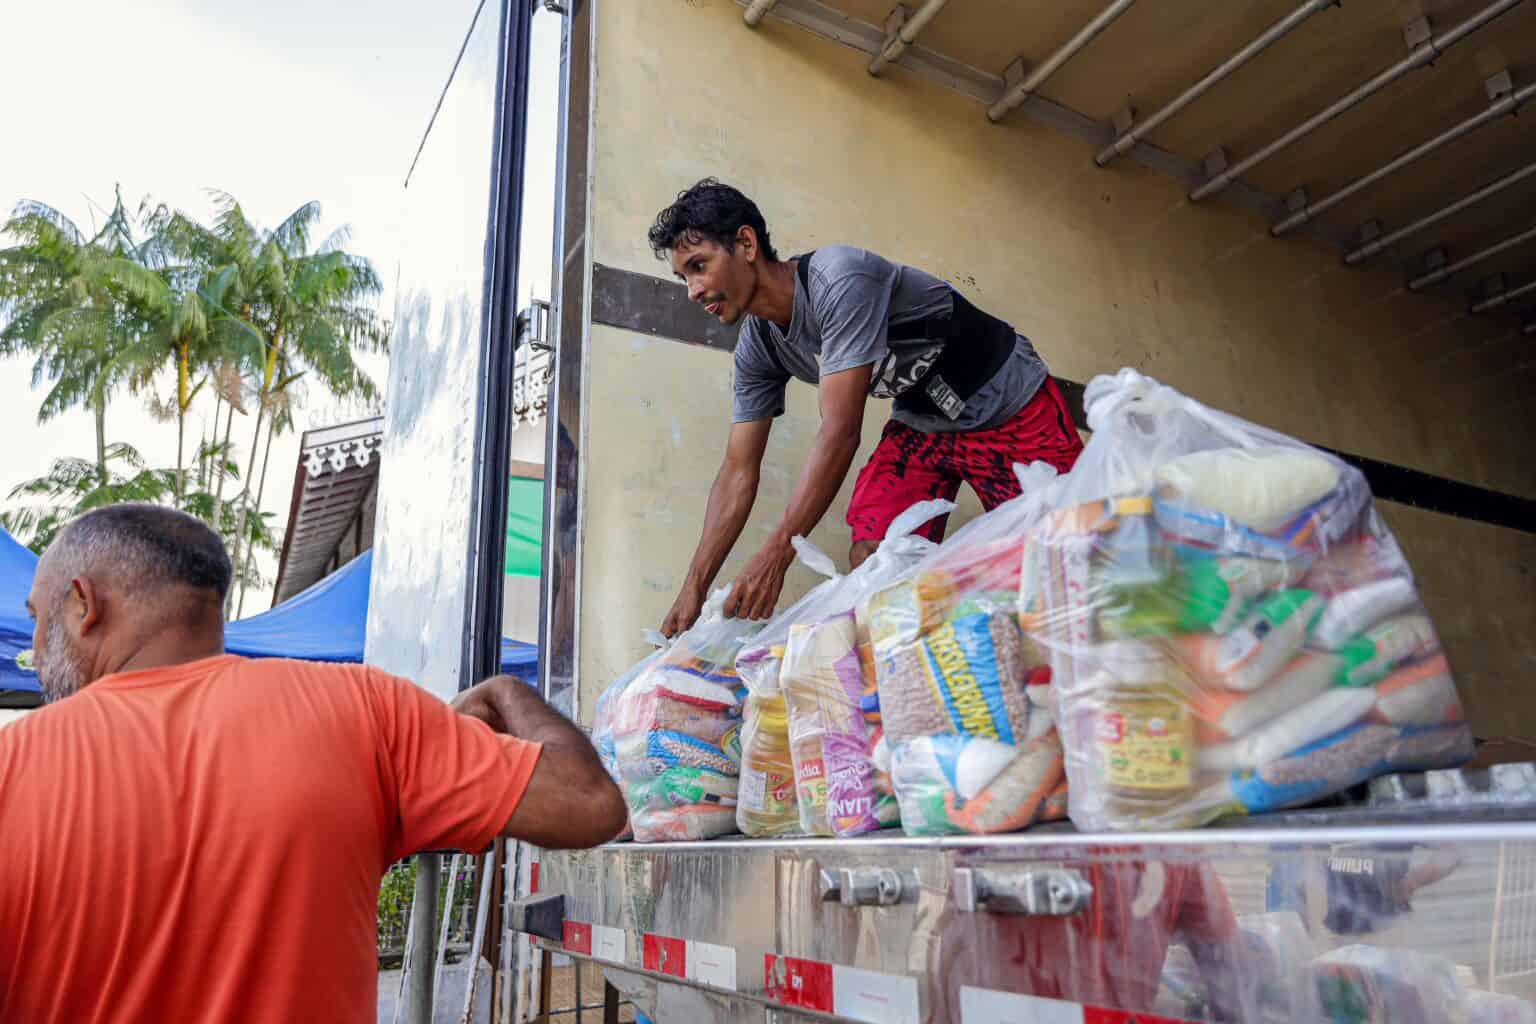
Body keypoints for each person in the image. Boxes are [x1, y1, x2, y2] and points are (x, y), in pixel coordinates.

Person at [0, 504, 626, 1024]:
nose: (32, 646)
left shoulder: (12, 767)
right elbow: (590, 803)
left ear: (84, 604)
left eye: (36, 617)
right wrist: (507, 695)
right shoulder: (364, 711)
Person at [650, 179, 1083, 636]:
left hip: (1007, 403)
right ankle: (934, 681)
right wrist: (693, 587)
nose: (693, 290)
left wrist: (778, 553)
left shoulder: (839, 278)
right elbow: (739, 469)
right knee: (875, 555)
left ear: (746, 243)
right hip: (923, 422)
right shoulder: (758, 349)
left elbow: (839, 432)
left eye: (700, 266)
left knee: (1064, 552)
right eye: (684, 277)